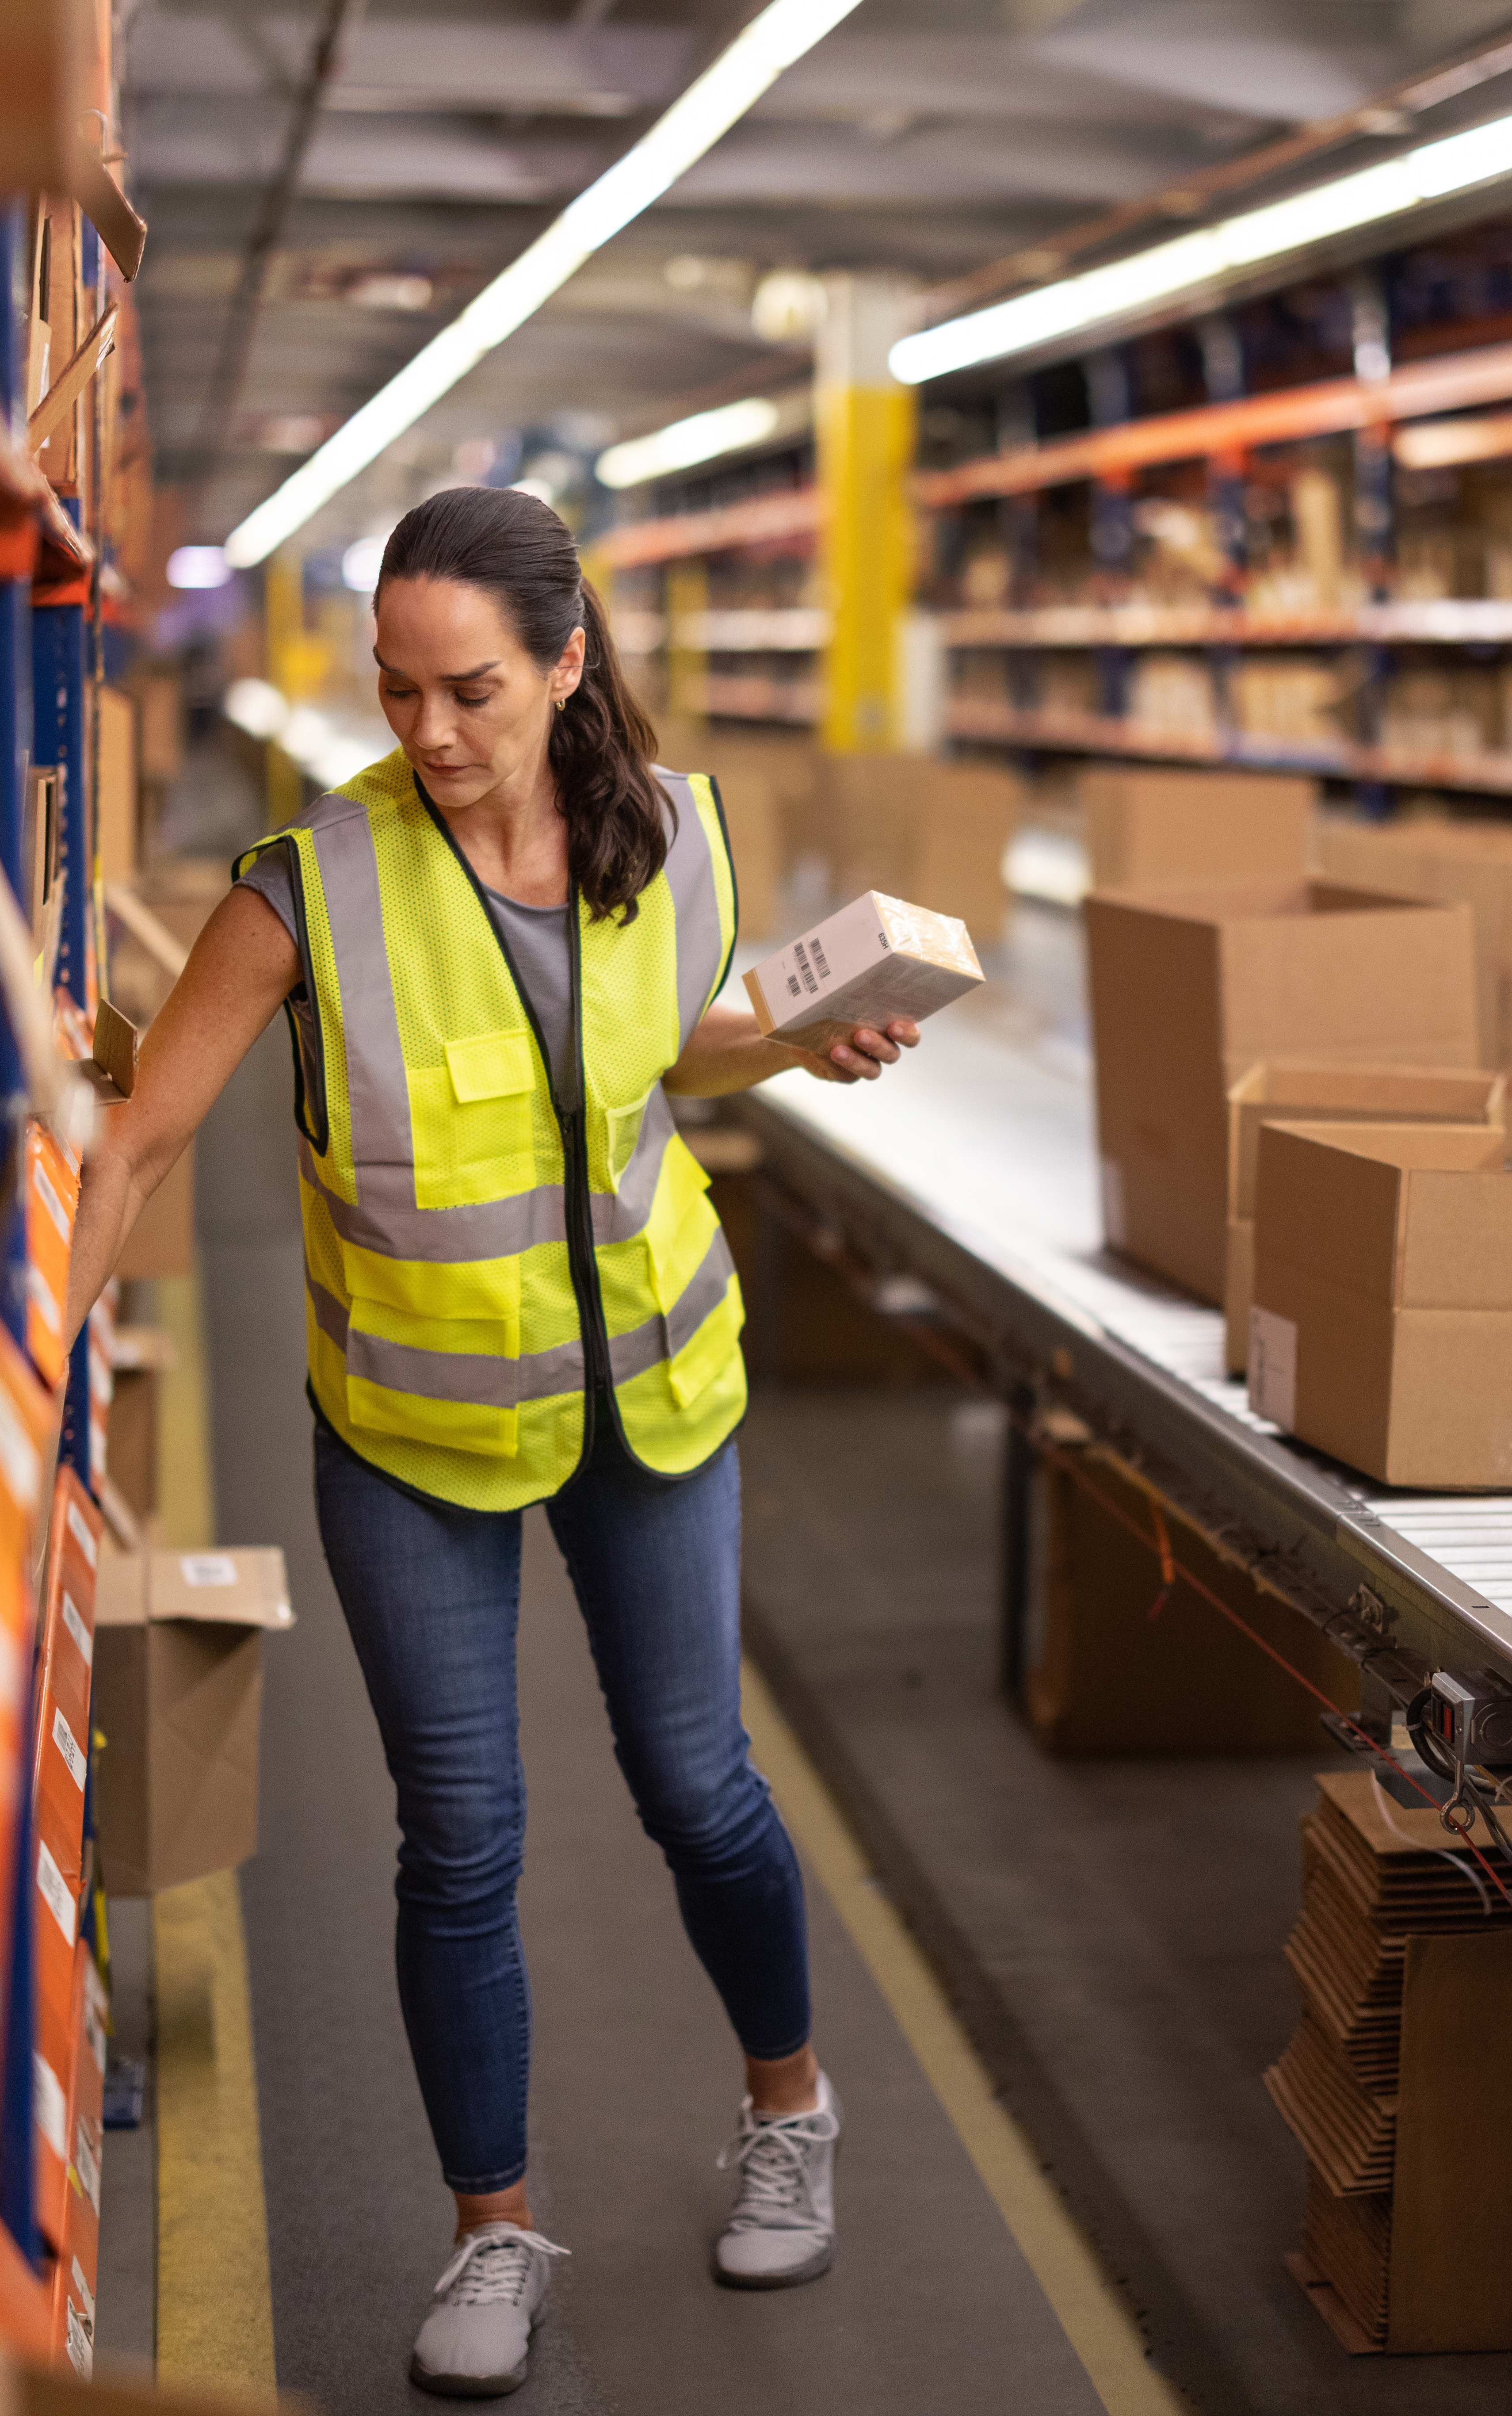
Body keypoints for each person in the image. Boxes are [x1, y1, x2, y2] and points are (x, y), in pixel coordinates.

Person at [59, 482, 921, 2400]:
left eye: (468, 692)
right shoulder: (304, 888)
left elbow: (660, 1046)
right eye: (396, 691)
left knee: (697, 1786)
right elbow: (135, 1142)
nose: (427, 734)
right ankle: (492, 2227)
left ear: (564, 667)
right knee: (458, 1842)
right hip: (416, 1424)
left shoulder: (672, 829)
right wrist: (26, 1375)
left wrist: (791, 1039)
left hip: (656, 1394)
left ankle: (791, 2103)